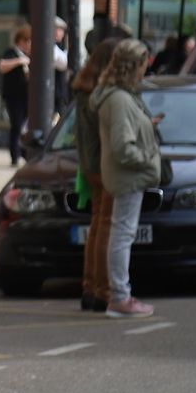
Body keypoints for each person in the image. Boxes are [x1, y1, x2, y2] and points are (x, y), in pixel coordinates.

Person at [92, 39, 160, 319]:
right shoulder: (119, 99)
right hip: (129, 175)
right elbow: (122, 146)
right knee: (122, 234)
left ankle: (120, 294)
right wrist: (146, 159)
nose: (145, 70)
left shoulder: (117, 95)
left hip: (126, 175)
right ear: (134, 66)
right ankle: (120, 296)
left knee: (121, 233)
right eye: (143, 65)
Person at [72, 36, 121, 313]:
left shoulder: (83, 88)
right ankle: (102, 290)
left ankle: (90, 287)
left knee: (97, 224)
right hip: (104, 163)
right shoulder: (103, 94)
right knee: (107, 225)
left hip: (88, 163)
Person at [0, 24, 32, 165]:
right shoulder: (12, 52)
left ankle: (24, 152)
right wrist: (19, 61)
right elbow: (2, 66)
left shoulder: (29, 56)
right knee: (16, 124)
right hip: (14, 96)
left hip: (26, 95)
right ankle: (15, 154)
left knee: (25, 125)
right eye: (27, 41)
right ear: (21, 41)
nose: (29, 44)